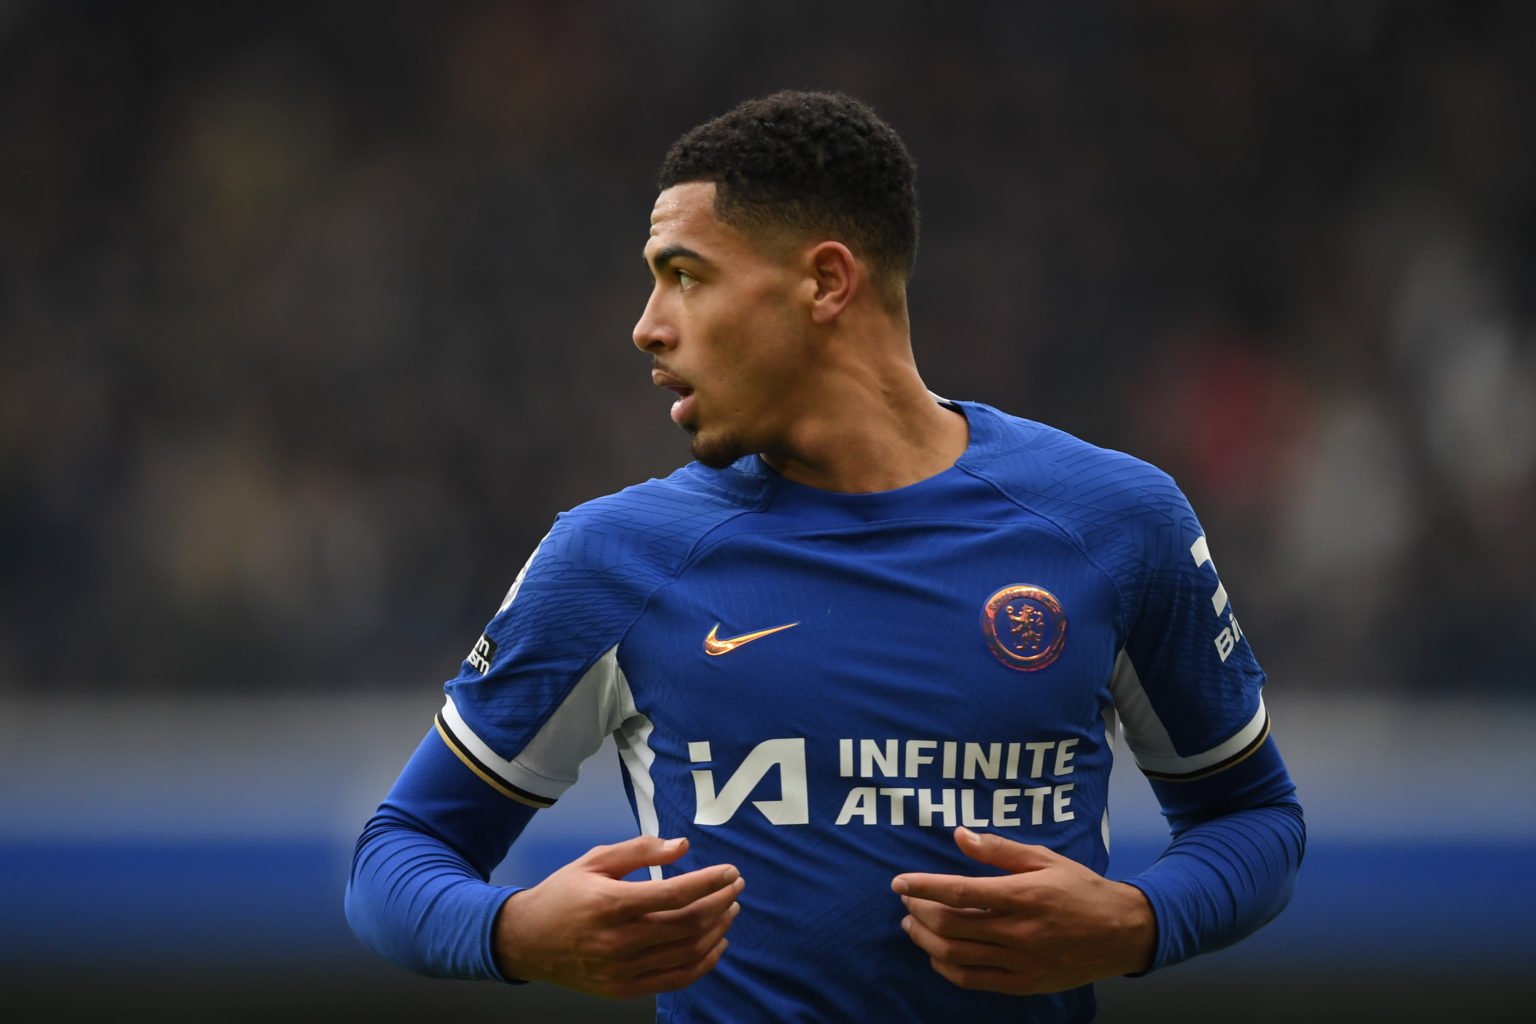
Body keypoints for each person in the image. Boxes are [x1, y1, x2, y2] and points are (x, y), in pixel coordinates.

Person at [345, 90, 1305, 1022]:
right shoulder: (612, 560)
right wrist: (508, 933)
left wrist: (1140, 921)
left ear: (826, 281)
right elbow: (399, 853)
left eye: (685, 274)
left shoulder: (1111, 524)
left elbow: (1253, 819)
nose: (647, 324)